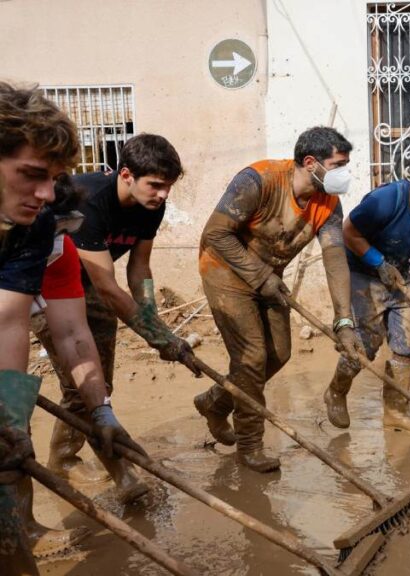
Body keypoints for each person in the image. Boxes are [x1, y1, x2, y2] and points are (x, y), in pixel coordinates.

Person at [193, 126, 360, 472]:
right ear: (311, 163)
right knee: (252, 357)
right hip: (225, 271)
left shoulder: (328, 203)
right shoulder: (259, 180)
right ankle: (250, 445)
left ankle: (215, 401)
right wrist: (259, 276)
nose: (344, 172)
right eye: (339, 164)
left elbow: (334, 259)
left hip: (270, 279)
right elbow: (215, 234)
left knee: (279, 354)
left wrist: (344, 321)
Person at [50, 133, 197, 506]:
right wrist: (157, 338)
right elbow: (108, 287)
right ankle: (120, 474)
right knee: (81, 384)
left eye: (168, 187)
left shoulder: (152, 206)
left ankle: (62, 459)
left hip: (89, 287)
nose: (163, 195)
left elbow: (139, 267)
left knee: (99, 383)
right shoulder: (89, 201)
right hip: (46, 286)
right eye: (156, 185)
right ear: (127, 174)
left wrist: (152, 318)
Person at [0, 81, 82, 573]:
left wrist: (8, 422)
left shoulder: (33, 224)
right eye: (32, 174)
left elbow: (9, 317)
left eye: (54, 178)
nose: (46, 193)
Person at [325, 145, 410, 433]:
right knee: (366, 345)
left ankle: (395, 412)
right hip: (362, 272)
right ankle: (336, 390)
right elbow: (349, 231)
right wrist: (378, 262)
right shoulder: (385, 200)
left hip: (400, 275)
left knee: (407, 345)